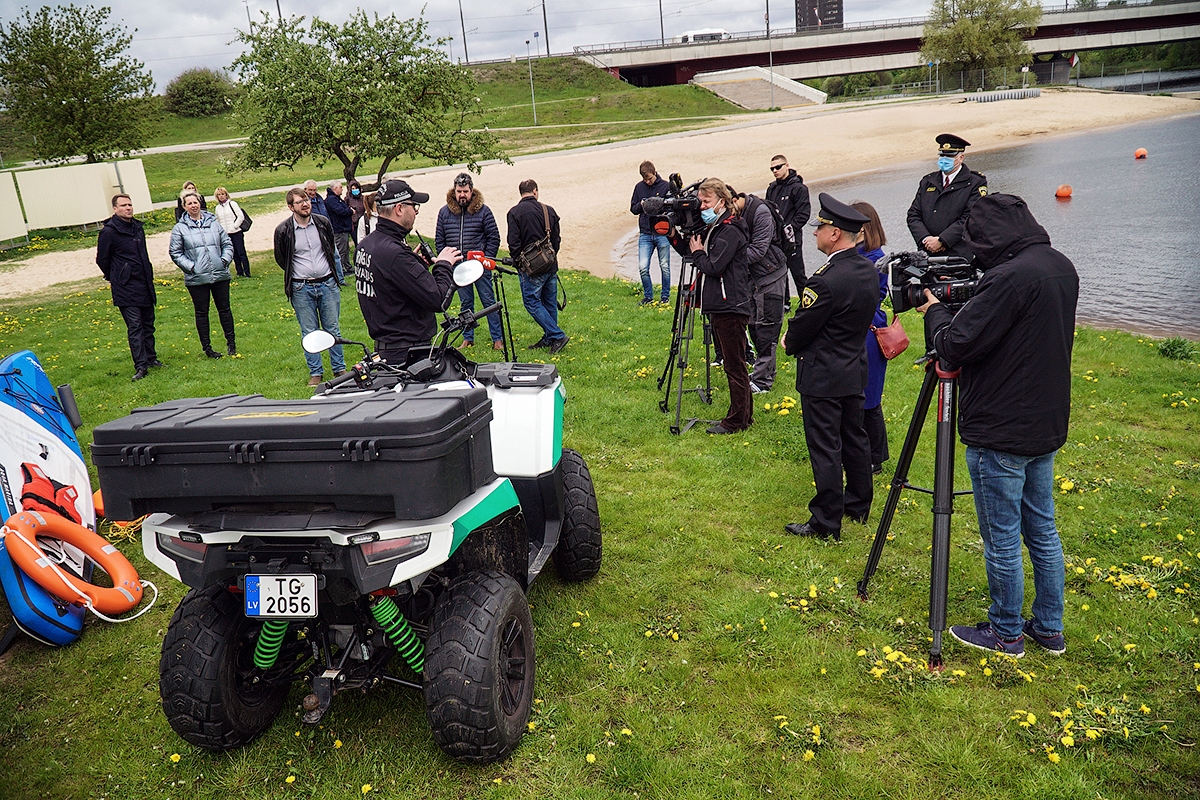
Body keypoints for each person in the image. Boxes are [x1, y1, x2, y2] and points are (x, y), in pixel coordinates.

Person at [916, 193, 1078, 657]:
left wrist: (936, 313)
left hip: (1001, 427)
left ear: (990, 236)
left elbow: (958, 345)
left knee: (1002, 534)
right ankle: (1049, 627)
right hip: (1043, 420)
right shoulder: (1057, 264)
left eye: (976, 241)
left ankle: (1005, 631)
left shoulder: (1009, 278)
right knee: (1042, 529)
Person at [782, 193, 879, 540]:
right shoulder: (867, 268)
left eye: (820, 227)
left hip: (823, 373)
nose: (815, 233)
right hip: (853, 367)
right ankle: (857, 504)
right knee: (854, 437)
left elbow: (804, 325)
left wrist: (788, 342)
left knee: (825, 445)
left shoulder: (825, 279)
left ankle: (825, 521)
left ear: (835, 233)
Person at [668, 178, 752, 435]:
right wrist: (673, 234)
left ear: (721, 202)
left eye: (706, 202)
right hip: (723, 304)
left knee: (734, 364)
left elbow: (712, 266)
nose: (702, 206)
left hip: (730, 306)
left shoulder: (730, 230)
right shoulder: (716, 227)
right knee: (734, 362)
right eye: (701, 201)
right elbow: (690, 251)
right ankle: (744, 417)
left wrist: (698, 253)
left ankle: (736, 420)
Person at [355, 179, 461, 365]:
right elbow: (438, 299)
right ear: (399, 209)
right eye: (414, 206)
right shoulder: (395, 254)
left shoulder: (366, 245)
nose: (416, 212)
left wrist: (414, 266)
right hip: (408, 353)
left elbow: (389, 282)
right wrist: (444, 264)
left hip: (386, 347)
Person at [273, 187, 346, 386]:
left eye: (306, 199)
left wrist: (337, 277)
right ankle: (316, 372)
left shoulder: (322, 223)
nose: (305, 204)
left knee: (333, 329)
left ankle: (339, 369)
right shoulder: (283, 230)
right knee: (310, 331)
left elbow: (332, 250)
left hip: (327, 283)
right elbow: (282, 258)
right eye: (300, 201)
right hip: (301, 288)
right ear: (291, 207)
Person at [96, 194, 162, 381]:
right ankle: (140, 365)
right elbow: (102, 259)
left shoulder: (137, 228)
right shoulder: (109, 232)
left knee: (148, 324)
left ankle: (151, 358)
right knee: (135, 327)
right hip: (125, 286)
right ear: (115, 209)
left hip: (144, 283)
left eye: (130, 205)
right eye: (124, 205)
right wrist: (118, 275)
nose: (128, 208)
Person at [435, 172, 503, 351]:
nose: (462, 195)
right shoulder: (444, 213)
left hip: (479, 266)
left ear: (472, 191)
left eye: (465, 191)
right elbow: (439, 241)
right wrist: (447, 261)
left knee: (489, 301)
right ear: (454, 191)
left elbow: (494, 237)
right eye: (459, 191)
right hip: (458, 267)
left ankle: (498, 339)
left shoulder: (484, 211)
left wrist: (485, 259)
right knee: (466, 303)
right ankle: (468, 337)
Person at [731, 188, 788, 394]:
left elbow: (758, 250)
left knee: (767, 329)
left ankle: (763, 381)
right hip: (752, 278)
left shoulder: (760, 212)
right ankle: (762, 373)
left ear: (735, 199)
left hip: (771, 275)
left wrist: (725, 253)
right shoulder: (739, 212)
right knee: (754, 326)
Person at [170, 191, 236, 359]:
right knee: (201, 312)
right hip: (197, 279)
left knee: (225, 309)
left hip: (219, 274)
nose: (194, 205)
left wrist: (224, 260)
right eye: (189, 203)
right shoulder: (180, 228)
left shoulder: (213, 222)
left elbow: (227, 243)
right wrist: (192, 267)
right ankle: (207, 347)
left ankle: (231, 343)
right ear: (184, 207)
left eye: (196, 202)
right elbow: (175, 252)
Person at [851, 201, 890, 475]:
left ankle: (875, 456)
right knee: (862, 394)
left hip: (869, 331)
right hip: (863, 330)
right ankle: (870, 452)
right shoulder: (864, 256)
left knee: (870, 397)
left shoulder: (874, 259)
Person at [507, 179, 568, 353]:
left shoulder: (514, 213)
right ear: (535, 191)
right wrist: (550, 257)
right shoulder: (548, 210)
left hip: (531, 268)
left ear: (521, 193)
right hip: (550, 265)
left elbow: (513, 243)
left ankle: (556, 335)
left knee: (531, 302)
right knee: (549, 302)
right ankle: (550, 338)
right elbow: (556, 239)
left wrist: (519, 264)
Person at [906, 133, 988, 259]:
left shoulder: (975, 182)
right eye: (942, 155)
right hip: (928, 254)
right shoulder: (928, 181)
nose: (944, 159)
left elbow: (972, 217)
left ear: (961, 158)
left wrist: (943, 240)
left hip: (959, 255)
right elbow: (913, 215)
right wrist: (925, 239)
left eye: (949, 156)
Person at [765, 154, 810, 307]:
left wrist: (789, 229)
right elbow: (768, 211)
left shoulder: (799, 188)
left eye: (778, 167)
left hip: (792, 240)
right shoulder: (772, 188)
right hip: (776, 239)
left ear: (787, 165)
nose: (775, 171)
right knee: (779, 273)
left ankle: (806, 304)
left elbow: (803, 214)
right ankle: (784, 304)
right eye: (772, 168)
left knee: (798, 274)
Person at [629, 160, 672, 305]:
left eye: (650, 178)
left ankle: (665, 297)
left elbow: (672, 209)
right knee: (643, 267)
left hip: (662, 232)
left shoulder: (666, 186)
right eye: (645, 179)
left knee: (664, 266)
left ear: (655, 173)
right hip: (645, 233)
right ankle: (648, 296)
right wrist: (642, 205)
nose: (647, 182)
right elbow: (633, 209)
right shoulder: (639, 187)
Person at [213, 187, 251, 278]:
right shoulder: (218, 208)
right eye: (219, 195)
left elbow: (240, 216)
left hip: (236, 231)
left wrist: (235, 226)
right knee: (234, 254)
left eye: (222, 194)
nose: (221, 196)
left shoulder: (232, 204)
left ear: (226, 195)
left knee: (241, 252)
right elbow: (218, 220)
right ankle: (239, 271)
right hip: (226, 233)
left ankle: (247, 272)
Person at [325, 181, 353, 284]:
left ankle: (347, 267)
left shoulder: (336, 199)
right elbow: (340, 211)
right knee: (341, 250)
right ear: (335, 188)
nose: (342, 189)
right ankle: (341, 270)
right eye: (340, 187)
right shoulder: (332, 200)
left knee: (345, 249)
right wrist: (350, 211)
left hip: (343, 228)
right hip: (338, 229)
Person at [347, 179, 366, 246]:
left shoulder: (363, 198)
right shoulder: (347, 199)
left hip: (362, 223)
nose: (355, 190)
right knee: (356, 242)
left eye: (356, 188)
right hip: (353, 225)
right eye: (353, 188)